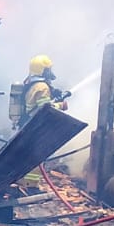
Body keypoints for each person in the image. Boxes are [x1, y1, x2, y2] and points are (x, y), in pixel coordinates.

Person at [15, 55, 71, 191]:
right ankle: (31, 186)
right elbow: (45, 109)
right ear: (43, 70)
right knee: (35, 158)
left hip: (27, 124)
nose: (50, 72)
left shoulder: (31, 82)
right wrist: (61, 105)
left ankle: (24, 183)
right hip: (35, 126)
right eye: (48, 69)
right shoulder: (42, 86)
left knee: (26, 156)